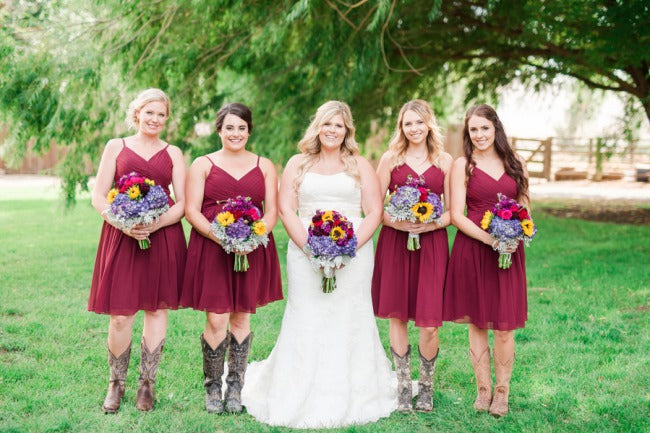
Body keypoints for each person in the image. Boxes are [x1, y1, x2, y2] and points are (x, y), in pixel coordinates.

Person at [241, 101, 396, 428]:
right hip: (305, 250)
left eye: (338, 126)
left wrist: (348, 247)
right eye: (327, 124)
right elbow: (286, 210)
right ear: (317, 126)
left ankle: (354, 391)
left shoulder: (359, 165)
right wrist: (312, 249)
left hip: (353, 253)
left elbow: (374, 212)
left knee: (347, 316)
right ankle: (297, 390)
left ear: (347, 130)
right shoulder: (298, 163)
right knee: (307, 315)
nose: (332, 130)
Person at [179, 103, 283, 414]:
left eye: (241, 128)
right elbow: (191, 211)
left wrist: (253, 237)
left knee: (241, 316)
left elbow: (273, 211)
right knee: (216, 317)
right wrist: (221, 237)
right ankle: (213, 387)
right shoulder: (203, 164)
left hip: (252, 248)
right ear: (219, 130)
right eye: (229, 128)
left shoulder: (264, 165)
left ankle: (236, 387)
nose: (235, 133)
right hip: (212, 247)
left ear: (249, 131)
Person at [88, 88, 187, 413]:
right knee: (120, 316)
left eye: (161, 114)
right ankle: (115, 383)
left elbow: (183, 202)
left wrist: (154, 226)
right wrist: (123, 223)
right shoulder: (116, 146)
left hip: (162, 238)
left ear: (166, 118)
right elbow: (100, 196)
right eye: (149, 112)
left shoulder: (173, 153)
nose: (155, 119)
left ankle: (147, 384)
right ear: (137, 113)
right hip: (122, 236)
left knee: (156, 310)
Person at [443, 103, 530, 417]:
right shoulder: (461, 165)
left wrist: (516, 234)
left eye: (484, 128)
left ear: (496, 129)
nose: (479, 135)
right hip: (475, 249)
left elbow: (524, 206)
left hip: (508, 251)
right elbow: (455, 214)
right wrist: (490, 239)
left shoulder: (515, 162)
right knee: (477, 322)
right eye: (473, 129)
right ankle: (482, 389)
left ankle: (502, 392)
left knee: (504, 326)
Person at [371, 99, 452, 412]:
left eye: (419, 122)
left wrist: (428, 224)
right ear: (401, 127)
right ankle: (404, 386)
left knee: (429, 322)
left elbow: (453, 212)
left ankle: (427, 387)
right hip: (395, 243)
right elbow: (376, 208)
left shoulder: (444, 161)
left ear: (429, 123)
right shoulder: (391, 159)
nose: (414, 129)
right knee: (398, 314)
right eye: (408, 123)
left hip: (431, 245)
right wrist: (400, 223)